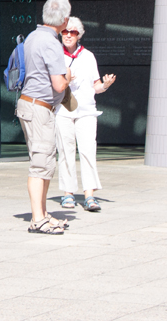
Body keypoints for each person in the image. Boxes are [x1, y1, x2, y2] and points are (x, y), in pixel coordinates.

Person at [16, 0, 73, 235]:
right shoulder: (51, 43)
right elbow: (59, 85)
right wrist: (69, 73)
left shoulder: (33, 36)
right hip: (39, 108)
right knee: (41, 163)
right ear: (65, 20)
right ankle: (38, 219)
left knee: (45, 161)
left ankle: (42, 213)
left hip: (32, 105)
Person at [54, 17, 116, 212]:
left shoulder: (88, 56)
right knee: (65, 151)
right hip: (63, 110)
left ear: (79, 35)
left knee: (88, 151)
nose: (69, 35)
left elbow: (95, 86)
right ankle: (68, 194)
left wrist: (105, 85)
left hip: (86, 110)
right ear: (61, 33)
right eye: (65, 32)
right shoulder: (55, 55)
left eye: (73, 32)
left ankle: (89, 195)